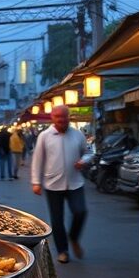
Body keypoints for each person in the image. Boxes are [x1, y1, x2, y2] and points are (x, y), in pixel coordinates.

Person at [31, 105, 93, 264]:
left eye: (64, 117)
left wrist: (84, 161)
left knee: (81, 211)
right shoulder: (45, 136)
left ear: (68, 117)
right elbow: (38, 160)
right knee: (57, 220)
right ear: (52, 118)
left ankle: (73, 237)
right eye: (58, 117)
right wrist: (36, 182)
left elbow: (88, 152)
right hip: (53, 184)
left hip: (75, 182)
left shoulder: (77, 135)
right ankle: (62, 251)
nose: (61, 120)